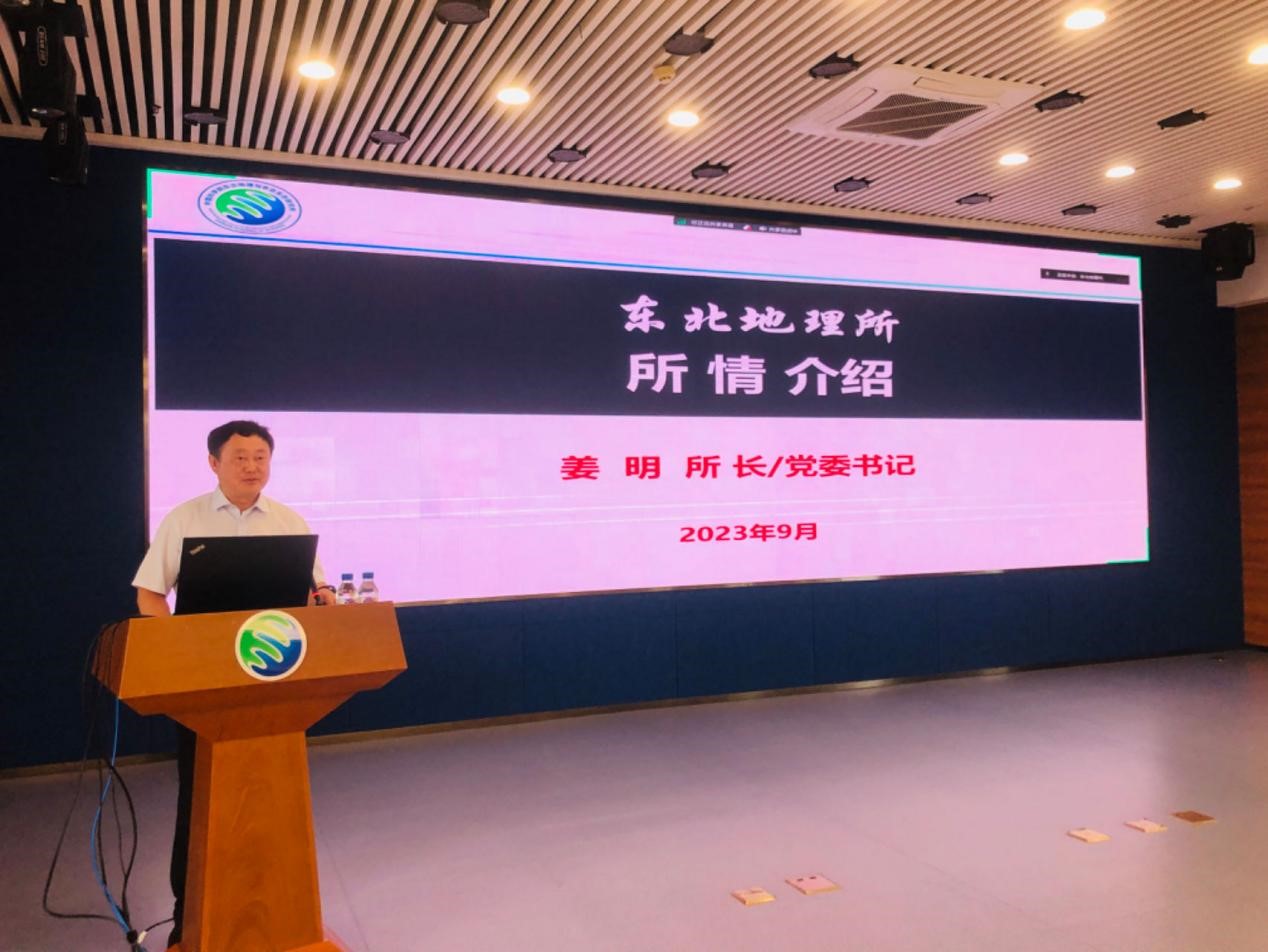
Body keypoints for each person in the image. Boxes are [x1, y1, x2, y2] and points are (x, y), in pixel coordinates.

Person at [132, 420, 335, 948]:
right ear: (214, 463)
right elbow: (149, 596)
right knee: (199, 801)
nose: (251, 466)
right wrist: (182, 648)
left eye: (260, 457)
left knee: (274, 801)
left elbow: (316, 592)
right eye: (240, 457)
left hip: (273, 683)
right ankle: (190, 919)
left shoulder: (289, 521)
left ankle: (281, 916)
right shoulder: (185, 518)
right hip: (207, 688)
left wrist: (325, 600)